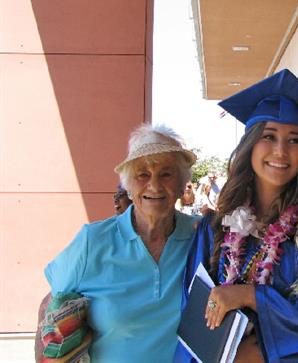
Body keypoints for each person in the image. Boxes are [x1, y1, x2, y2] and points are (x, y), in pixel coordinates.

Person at [174, 69, 298, 363]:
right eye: (269, 136)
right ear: (250, 145)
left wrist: (251, 297)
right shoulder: (214, 227)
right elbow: (193, 310)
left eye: (294, 139)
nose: (281, 151)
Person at [36, 124, 199, 362]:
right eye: (143, 174)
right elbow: (48, 306)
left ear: (181, 184)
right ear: (129, 186)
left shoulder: (199, 236)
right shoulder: (93, 241)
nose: (154, 185)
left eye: (166, 174)